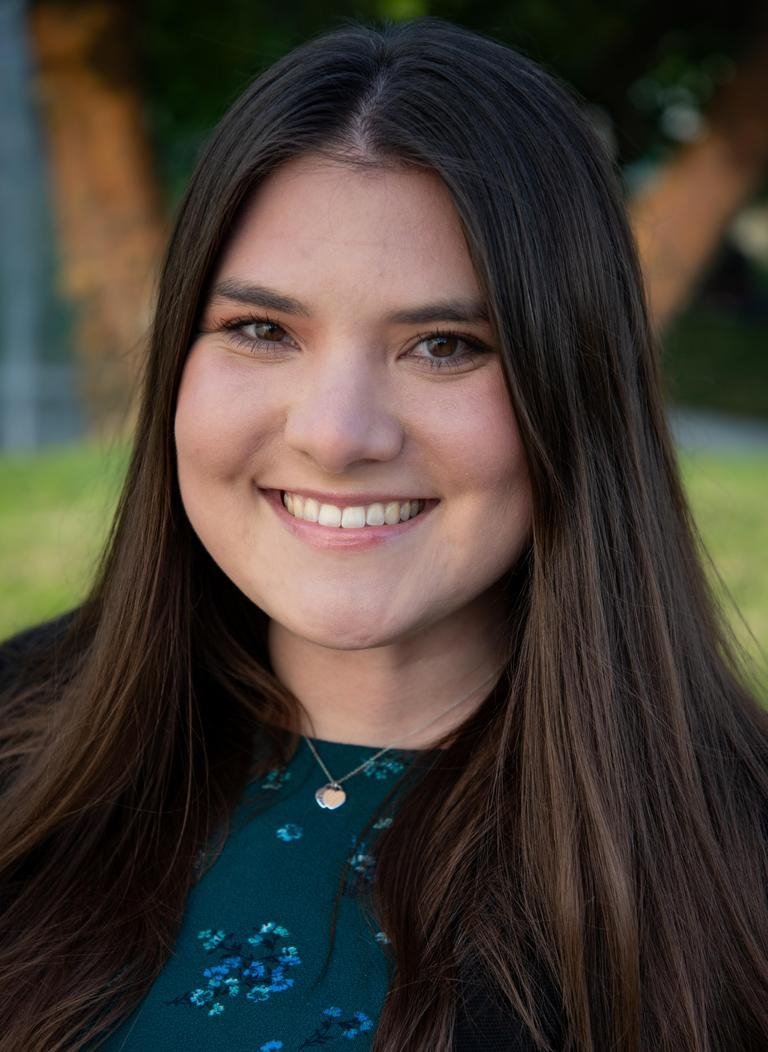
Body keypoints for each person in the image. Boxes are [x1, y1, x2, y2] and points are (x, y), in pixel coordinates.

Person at [1, 15, 767, 1052]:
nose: (335, 432)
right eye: (261, 330)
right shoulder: (18, 739)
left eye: (445, 345)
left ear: (575, 387)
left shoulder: (741, 866)